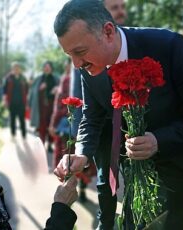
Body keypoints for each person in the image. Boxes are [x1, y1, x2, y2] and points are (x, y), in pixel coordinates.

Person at [53, 0, 183, 229]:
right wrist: (82, 153)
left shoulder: (168, 45)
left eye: (79, 52)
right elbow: (92, 116)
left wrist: (159, 141)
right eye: (69, 55)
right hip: (131, 171)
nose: (75, 64)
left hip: (176, 161)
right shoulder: (88, 66)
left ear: (108, 32)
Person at [69, 0, 128, 204]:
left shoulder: (135, 45)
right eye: (114, 8)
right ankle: (106, 221)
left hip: (133, 135)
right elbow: (84, 103)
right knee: (105, 181)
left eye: (122, 7)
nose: (120, 12)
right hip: (102, 130)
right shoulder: (83, 57)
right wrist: (80, 146)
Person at [29, 61, 59, 151]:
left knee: (51, 125)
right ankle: (42, 145)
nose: (46, 68)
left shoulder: (56, 79)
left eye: (48, 67)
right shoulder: (39, 79)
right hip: (41, 107)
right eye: (45, 67)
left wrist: (56, 90)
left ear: (51, 68)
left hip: (52, 106)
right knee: (41, 126)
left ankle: (50, 144)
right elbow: (33, 91)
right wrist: (39, 89)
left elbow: (61, 90)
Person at [2, 62, 29, 139]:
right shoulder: (8, 78)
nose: (16, 69)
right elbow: (4, 90)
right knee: (12, 119)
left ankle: (24, 135)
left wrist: (27, 102)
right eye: (14, 68)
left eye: (17, 68)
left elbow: (27, 90)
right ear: (12, 69)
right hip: (12, 102)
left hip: (21, 102)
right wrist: (4, 100)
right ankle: (13, 135)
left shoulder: (23, 78)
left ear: (20, 69)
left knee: (22, 120)